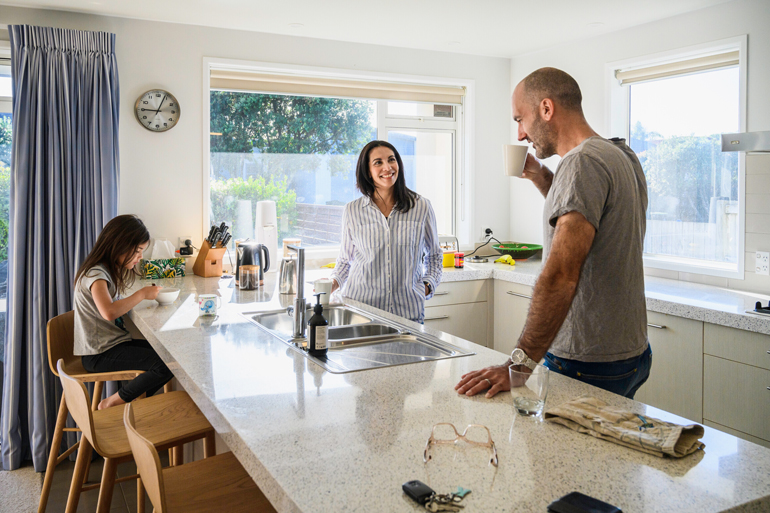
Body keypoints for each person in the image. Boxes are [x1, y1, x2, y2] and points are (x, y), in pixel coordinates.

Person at [456, 67, 651, 399]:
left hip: (586, 357)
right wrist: (542, 177)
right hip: (630, 352)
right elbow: (589, 219)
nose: (520, 134)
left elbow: (560, 275)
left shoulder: (581, 163)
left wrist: (516, 365)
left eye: (521, 119)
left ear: (546, 109)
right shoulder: (620, 154)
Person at [330, 140, 442, 323]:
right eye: (378, 162)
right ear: (367, 171)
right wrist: (331, 283)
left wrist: (428, 286)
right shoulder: (352, 210)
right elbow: (345, 261)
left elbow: (435, 255)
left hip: (408, 315)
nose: (387, 167)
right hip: (361, 312)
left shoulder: (421, 206)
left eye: (391, 160)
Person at [73, 214, 173, 410]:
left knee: (169, 357)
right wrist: (143, 294)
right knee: (164, 364)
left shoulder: (106, 270)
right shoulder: (96, 275)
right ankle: (114, 403)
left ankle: (131, 402)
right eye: (137, 251)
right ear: (119, 245)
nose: (140, 257)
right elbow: (109, 312)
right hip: (99, 353)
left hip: (111, 345)